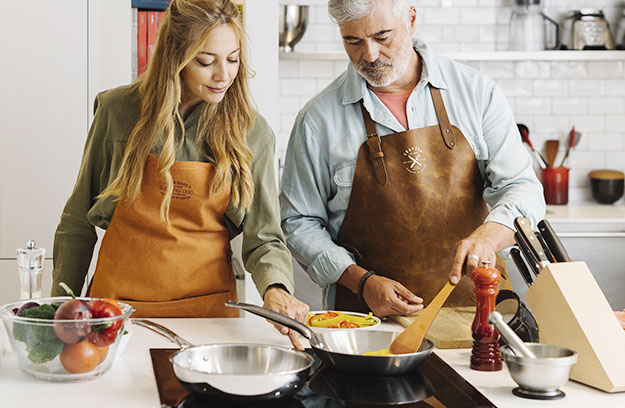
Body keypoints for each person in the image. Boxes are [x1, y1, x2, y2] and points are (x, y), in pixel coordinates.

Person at [52, 0, 309, 347]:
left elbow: (264, 237)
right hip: (114, 316)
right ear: (176, 57)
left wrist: (276, 289)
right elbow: (78, 221)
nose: (224, 75)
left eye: (233, 59)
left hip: (209, 319)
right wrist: (61, 307)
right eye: (206, 61)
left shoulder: (252, 132)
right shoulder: (118, 111)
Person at [280, 0, 545, 317]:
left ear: (412, 19)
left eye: (382, 36)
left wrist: (488, 237)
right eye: (353, 41)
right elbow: (298, 223)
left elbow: (522, 188)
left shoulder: (477, 93)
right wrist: (362, 282)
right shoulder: (317, 119)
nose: (370, 55)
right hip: (367, 320)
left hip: (477, 314)